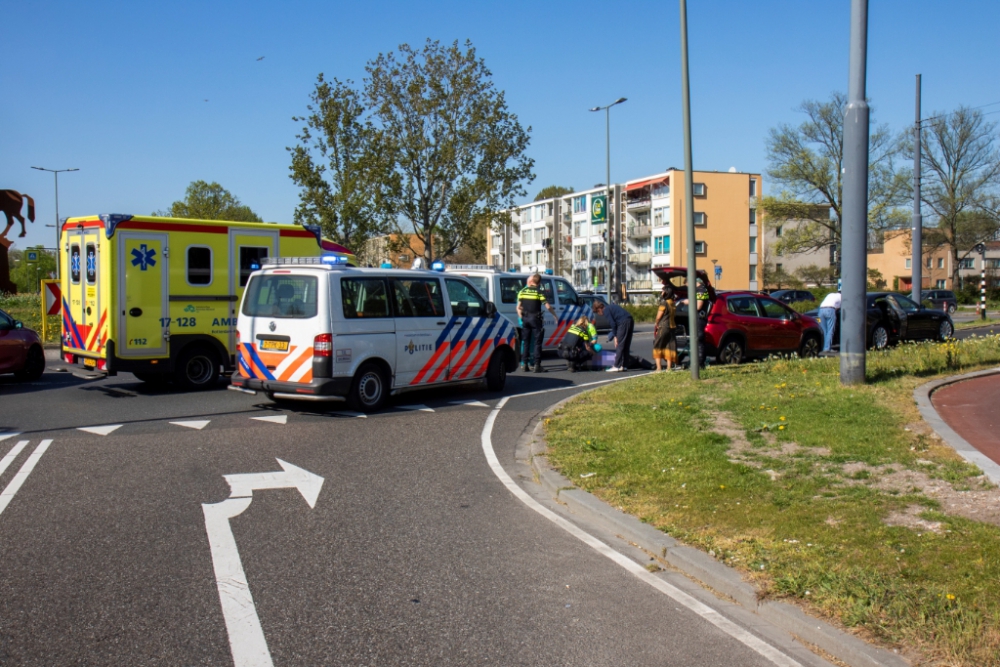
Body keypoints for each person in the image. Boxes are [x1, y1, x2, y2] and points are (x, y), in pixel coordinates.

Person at [516, 273, 557, 373]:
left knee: (526, 342)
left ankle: (524, 364)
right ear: (539, 282)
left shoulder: (523, 291)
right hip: (535, 319)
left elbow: (518, 307)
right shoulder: (539, 292)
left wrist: (522, 317)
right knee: (537, 343)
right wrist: (554, 315)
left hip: (525, 318)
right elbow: (547, 306)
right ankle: (537, 365)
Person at [592, 299, 634, 372]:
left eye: (597, 312)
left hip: (623, 322)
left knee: (619, 345)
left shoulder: (606, 310)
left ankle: (616, 365)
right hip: (630, 320)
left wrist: (615, 336)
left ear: (599, 309)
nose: (599, 314)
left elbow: (613, 324)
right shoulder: (611, 307)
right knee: (626, 345)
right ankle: (624, 365)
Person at [653, 285, 678, 371]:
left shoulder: (664, 303)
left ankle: (659, 368)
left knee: (658, 345)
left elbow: (659, 316)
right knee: (670, 346)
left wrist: (656, 323)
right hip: (672, 326)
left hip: (663, 326)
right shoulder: (672, 302)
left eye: (663, 291)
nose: (661, 292)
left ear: (666, 292)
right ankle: (669, 368)